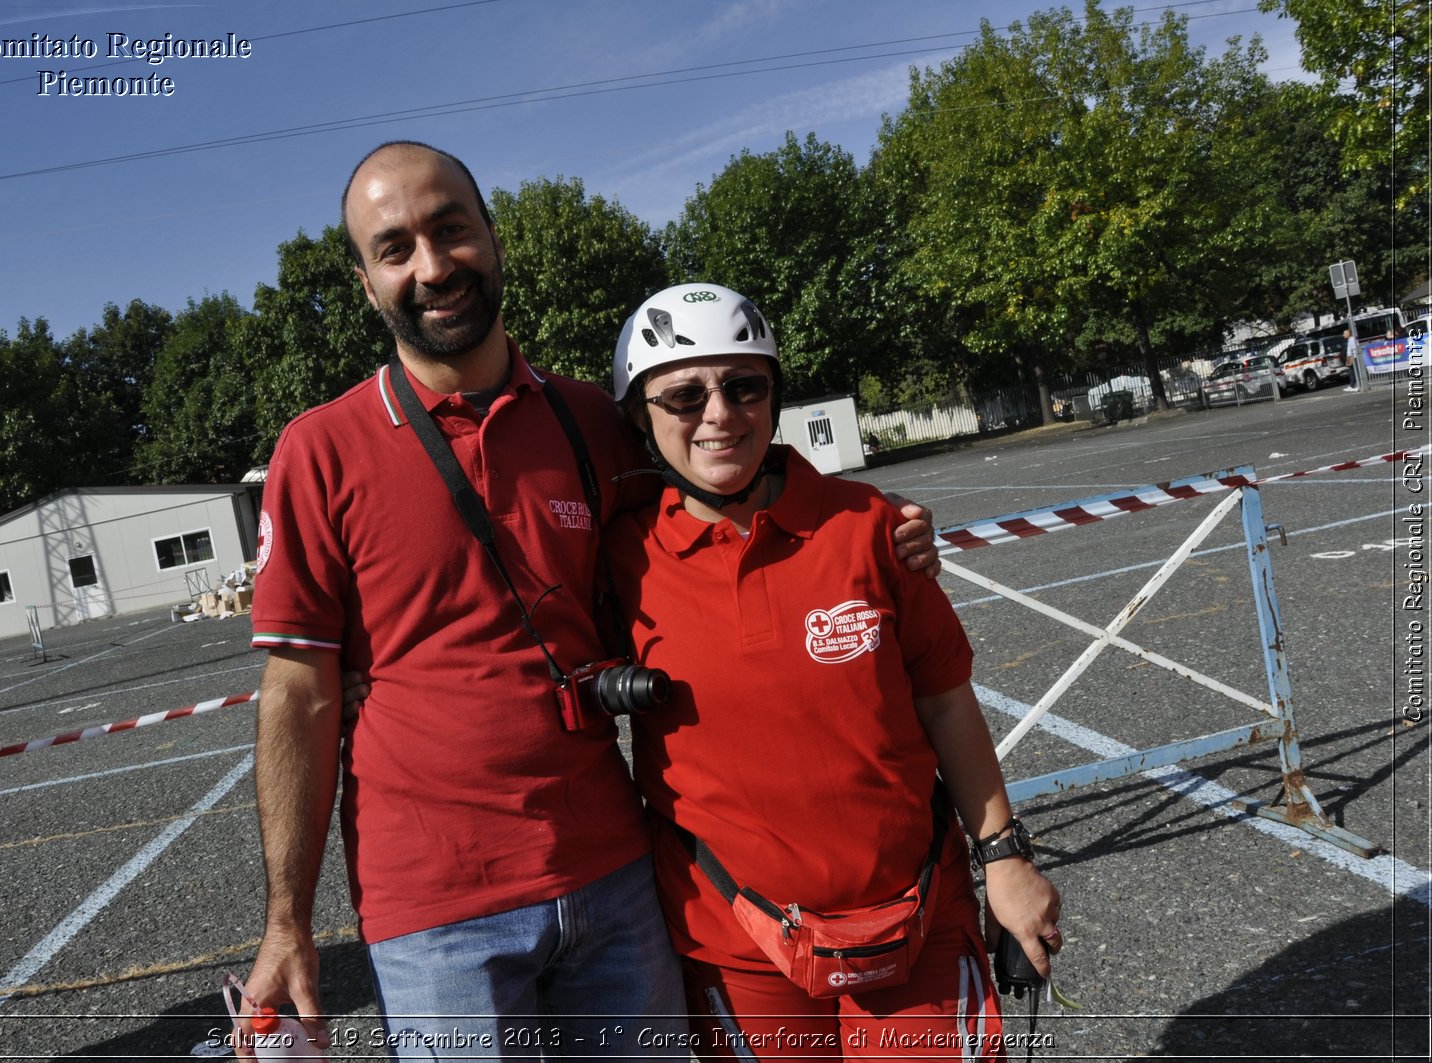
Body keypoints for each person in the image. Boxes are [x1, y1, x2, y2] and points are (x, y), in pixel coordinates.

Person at [242, 141, 943, 1058]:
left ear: (492, 241)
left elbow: (729, 483)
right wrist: (288, 922)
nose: (432, 265)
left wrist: (873, 524)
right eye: (396, 247)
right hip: (437, 913)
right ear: (368, 282)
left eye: (451, 231)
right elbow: (298, 695)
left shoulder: (593, 421)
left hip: (615, 878)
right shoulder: (320, 450)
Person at [603, 284, 1062, 1059]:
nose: (718, 413)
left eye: (743, 386)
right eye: (683, 394)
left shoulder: (872, 527)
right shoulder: (620, 560)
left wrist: (1007, 857)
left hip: (915, 915)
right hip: (737, 939)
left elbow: (948, 704)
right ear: (640, 419)